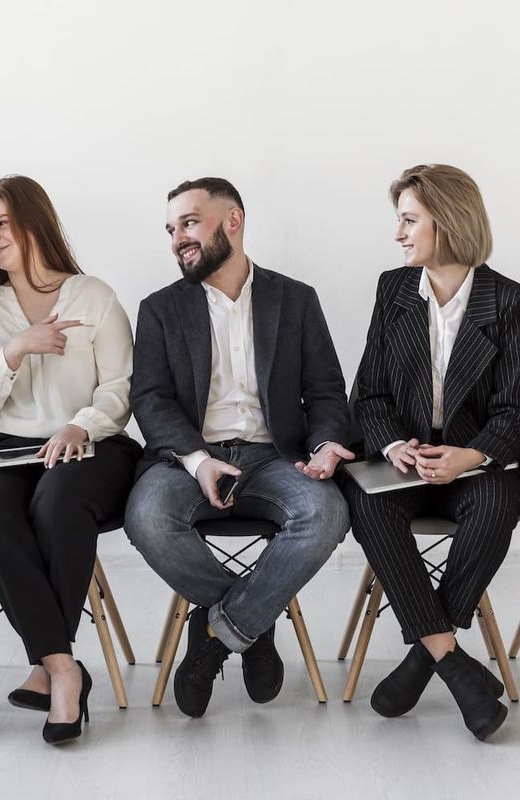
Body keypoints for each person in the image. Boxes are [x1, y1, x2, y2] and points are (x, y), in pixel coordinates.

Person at [125, 177, 352, 718]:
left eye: (189, 223)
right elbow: (150, 400)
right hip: (189, 458)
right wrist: (198, 461)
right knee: (147, 517)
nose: (178, 238)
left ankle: (218, 633)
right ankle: (255, 621)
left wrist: (325, 444)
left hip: (275, 456)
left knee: (326, 513)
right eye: (171, 229)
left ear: (233, 220)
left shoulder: (295, 299)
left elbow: (325, 390)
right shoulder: (160, 309)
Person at [342, 164, 520, 741]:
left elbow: (517, 412)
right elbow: (369, 393)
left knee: (498, 505)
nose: (398, 233)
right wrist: (391, 444)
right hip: (404, 460)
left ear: (447, 222)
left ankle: (424, 658)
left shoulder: (510, 301)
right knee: (368, 504)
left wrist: (469, 456)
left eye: (409, 220)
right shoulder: (394, 289)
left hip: (475, 463)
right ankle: (453, 662)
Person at [0, 176, 140, 744]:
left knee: (58, 502)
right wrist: (13, 351)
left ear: (36, 220)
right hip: (3, 447)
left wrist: (80, 425)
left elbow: (121, 387)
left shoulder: (94, 296)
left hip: (90, 443)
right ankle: (62, 667)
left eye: (2, 223)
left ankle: (49, 669)